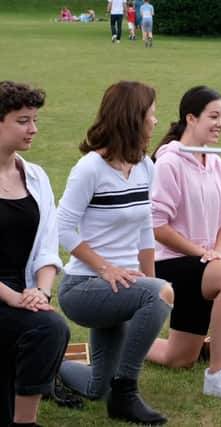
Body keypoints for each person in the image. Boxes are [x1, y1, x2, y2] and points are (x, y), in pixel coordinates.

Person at [56, 81, 173, 425]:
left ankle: (41, 364)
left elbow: (144, 229)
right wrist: (105, 269)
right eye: (151, 115)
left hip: (123, 288)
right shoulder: (90, 169)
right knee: (158, 293)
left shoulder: (144, 167)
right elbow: (62, 228)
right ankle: (126, 394)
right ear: (132, 119)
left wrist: (150, 282)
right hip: (83, 289)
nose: (155, 121)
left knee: (96, 386)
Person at [146, 86, 221, 402]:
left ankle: (122, 338)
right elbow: (156, 226)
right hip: (168, 263)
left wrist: (217, 252)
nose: (220, 123)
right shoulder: (168, 162)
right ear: (190, 118)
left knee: (179, 358)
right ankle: (218, 374)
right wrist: (202, 253)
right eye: (213, 116)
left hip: (203, 264)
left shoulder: (220, 165)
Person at [0, 81, 70, 427]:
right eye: (23, 120)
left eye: (35, 120)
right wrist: (13, 297)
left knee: (50, 327)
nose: (33, 129)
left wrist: (40, 292)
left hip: (23, 294)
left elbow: (47, 247)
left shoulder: (36, 177)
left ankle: (25, 422)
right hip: (5, 296)